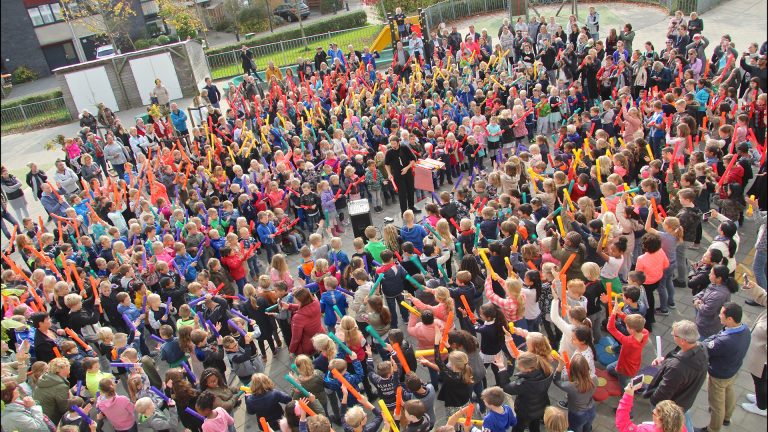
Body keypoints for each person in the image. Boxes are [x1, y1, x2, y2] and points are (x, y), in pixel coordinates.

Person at [644, 320, 708, 432]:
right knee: (684, 417)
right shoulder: (701, 349)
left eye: (674, 335)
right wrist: (666, 361)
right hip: (685, 399)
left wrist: (653, 402)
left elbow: (663, 393)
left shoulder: (677, 367)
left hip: (672, 405)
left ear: (683, 340)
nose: (673, 336)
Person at [695, 302, 751, 432]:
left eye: (721, 313)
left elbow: (706, 347)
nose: (719, 315)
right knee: (729, 391)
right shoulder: (745, 329)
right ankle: (727, 417)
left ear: (730, 319)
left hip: (719, 374)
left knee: (716, 404)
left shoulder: (724, 342)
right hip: (733, 370)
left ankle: (713, 428)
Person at [384, 136, 419, 214]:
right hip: (398, 174)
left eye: (394, 144)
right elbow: (386, 164)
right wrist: (389, 174)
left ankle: (411, 207)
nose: (393, 146)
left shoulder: (404, 148)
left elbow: (414, 159)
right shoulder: (389, 152)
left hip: (408, 172)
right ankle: (404, 211)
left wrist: (407, 168)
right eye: (391, 144)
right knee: (402, 194)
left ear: (398, 143)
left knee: (410, 190)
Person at [32, 357, 72, 424]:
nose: (69, 367)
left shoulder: (45, 378)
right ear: (60, 369)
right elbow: (64, 408)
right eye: (67, 366)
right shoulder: (61, 386)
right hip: (52, 419)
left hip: (42, 416)